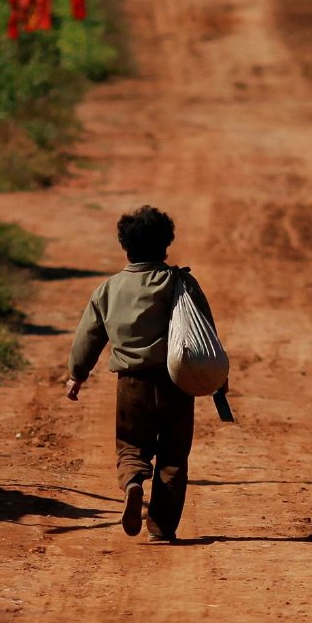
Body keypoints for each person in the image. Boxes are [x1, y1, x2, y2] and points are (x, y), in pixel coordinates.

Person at [66, 205, 220, 542]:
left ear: (125, 246)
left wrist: (77, 374)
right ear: (166, 245)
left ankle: (133, 482)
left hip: (131, 385)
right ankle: (161, 528)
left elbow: (88, 336)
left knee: (131, 446)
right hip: (175, 384)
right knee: (174, 456)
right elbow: (204, 332)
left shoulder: (108, 290)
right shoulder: (179, 282)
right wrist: (217, 381)